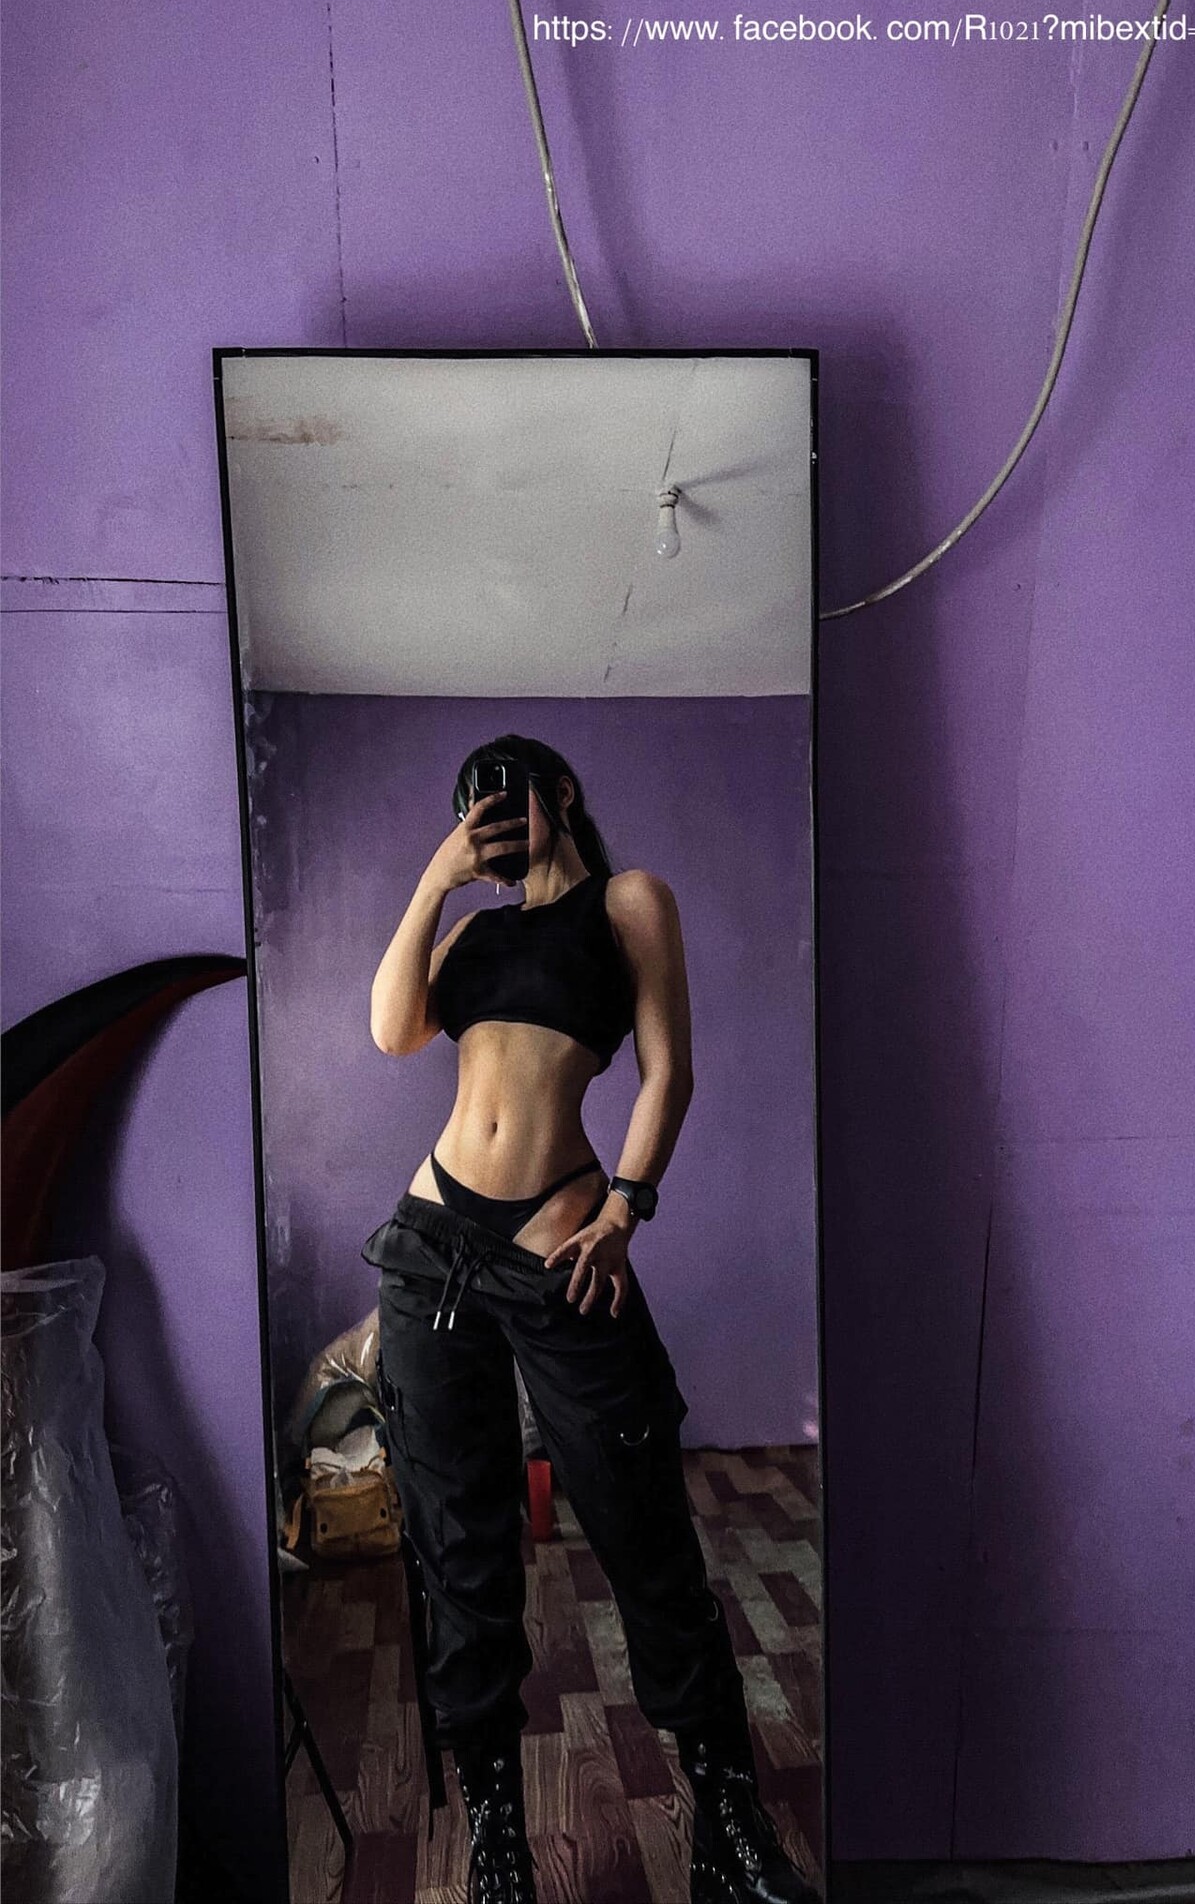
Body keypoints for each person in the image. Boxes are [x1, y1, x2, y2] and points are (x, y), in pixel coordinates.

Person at [362, 732, 819, 1904]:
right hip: (431, 1249)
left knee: (645, 1531)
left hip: (560, 1250)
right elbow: (392, 1029)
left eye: (503, 795)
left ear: (557, 792)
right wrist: (437, 877)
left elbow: (670, 1070)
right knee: (463, 1554)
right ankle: (499, 1847)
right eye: (469, 806)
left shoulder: (627, 901)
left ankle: (727, 1820)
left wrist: (625, 1208)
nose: (488, 817)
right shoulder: (472, 934)